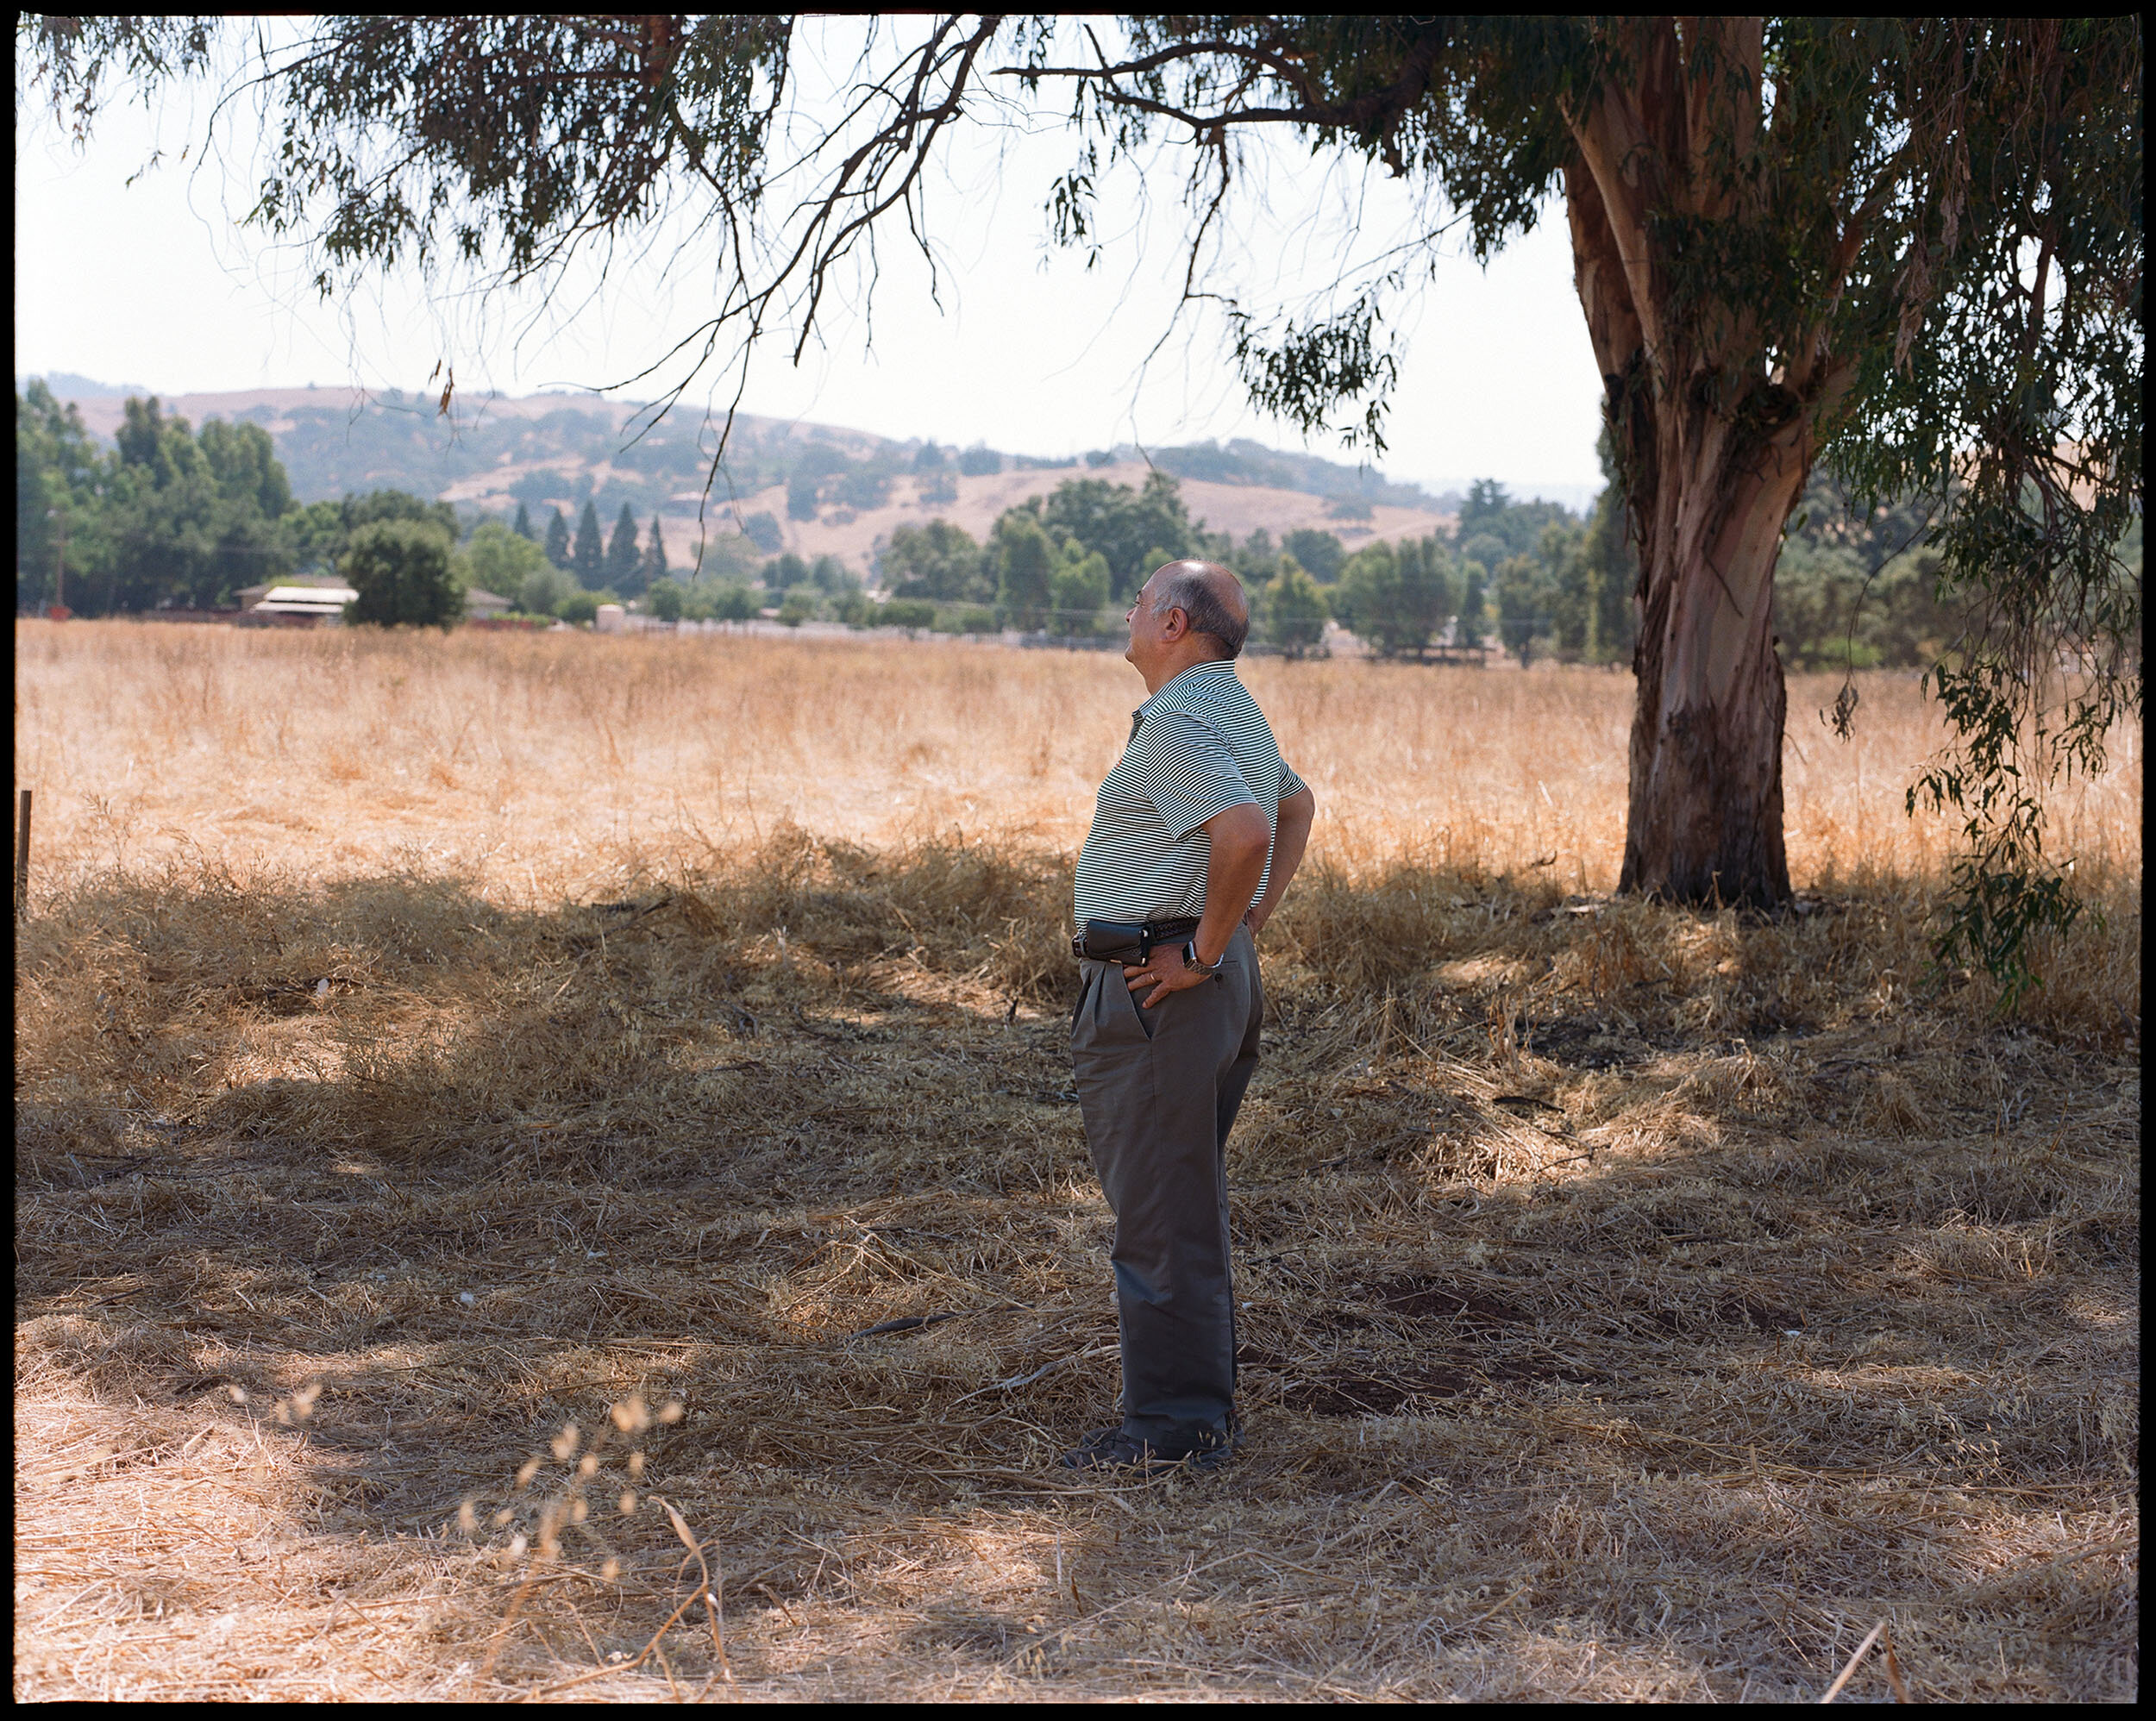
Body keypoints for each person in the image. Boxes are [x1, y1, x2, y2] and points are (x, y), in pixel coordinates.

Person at [1062, 559, 1316, 1472]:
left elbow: (1248, 829)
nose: (1127, 613)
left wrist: (1208, 948)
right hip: (1201, 981)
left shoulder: (1177, 717)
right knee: (1180, 1201)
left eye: (1137, 601)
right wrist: (1246, 926)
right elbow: (1294, 802)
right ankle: (1193, 1412)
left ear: (1172, 623)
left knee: (1161, 1213)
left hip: (1160, 988)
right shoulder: (1231, 706)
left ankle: (1172, 1430)